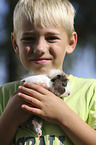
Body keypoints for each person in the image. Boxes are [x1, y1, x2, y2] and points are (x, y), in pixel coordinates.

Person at [0, 0, 96, 144]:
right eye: (29, 39)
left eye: (51, 38)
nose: (39, 48)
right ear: (15, 44)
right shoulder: (4, 94)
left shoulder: (91, 91)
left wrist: (62, 115)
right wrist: (9, 120)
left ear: (70, 43)